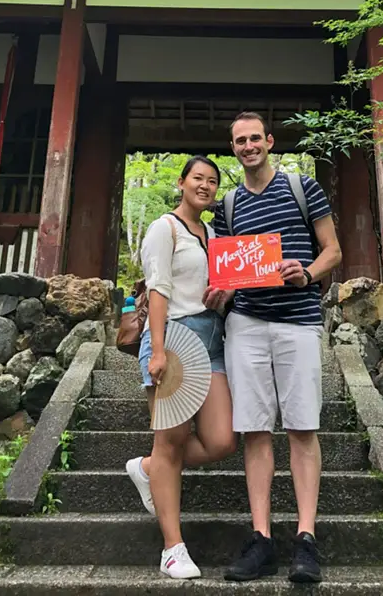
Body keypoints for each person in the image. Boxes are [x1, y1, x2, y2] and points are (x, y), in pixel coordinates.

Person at [213, 112, 342, 584]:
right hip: (246, 323)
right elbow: (227, 273)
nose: (248, 146)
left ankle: (305, 538)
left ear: (269, 141)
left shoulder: (302, 187)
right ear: (233, 148)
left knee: (303, 427)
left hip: (299, 321)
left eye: (254, 138)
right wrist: (221, 293)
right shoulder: (227, 206)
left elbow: (333, 250)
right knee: (254, 430)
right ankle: (261, 538)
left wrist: (307, 272)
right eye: (239, 140)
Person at [126, 155, 237, 580]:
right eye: (198, 178)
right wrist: (156, 349)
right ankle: (172, 548)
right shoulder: (164, 228)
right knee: (170, 441)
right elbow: (158, 289)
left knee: (222, 440)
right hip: (173, 336)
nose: (205, 186)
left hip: (212, 341)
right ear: (182, 182)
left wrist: (222, 297)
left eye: (212, 181)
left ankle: (149, 469)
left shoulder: (213, 234)